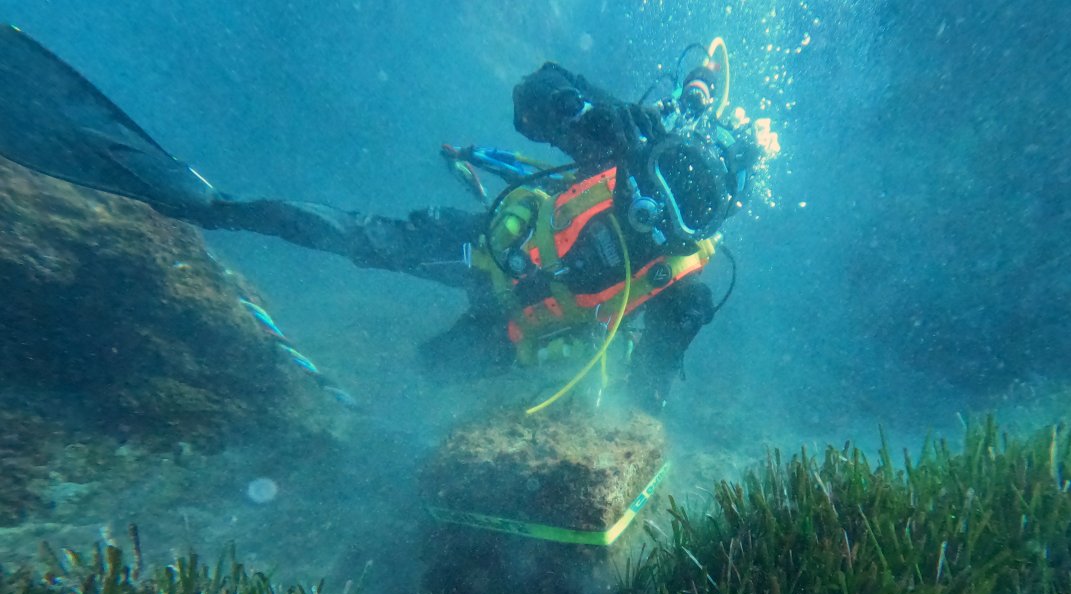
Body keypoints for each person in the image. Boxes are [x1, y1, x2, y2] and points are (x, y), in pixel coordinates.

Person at [0, 25, 773, 411]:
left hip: (515, 335)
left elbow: (647, 396)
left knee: (425, 387)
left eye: (688, 210)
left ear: (713, 226)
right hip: (482, 243)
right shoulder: (621, 144)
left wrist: (597, 428)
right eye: (663, 180)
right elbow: (533, 96)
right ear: (654, 157)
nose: (655, 209)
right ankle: (201, 201)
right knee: (354, 236)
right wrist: (590, 111)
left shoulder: (686, 290)